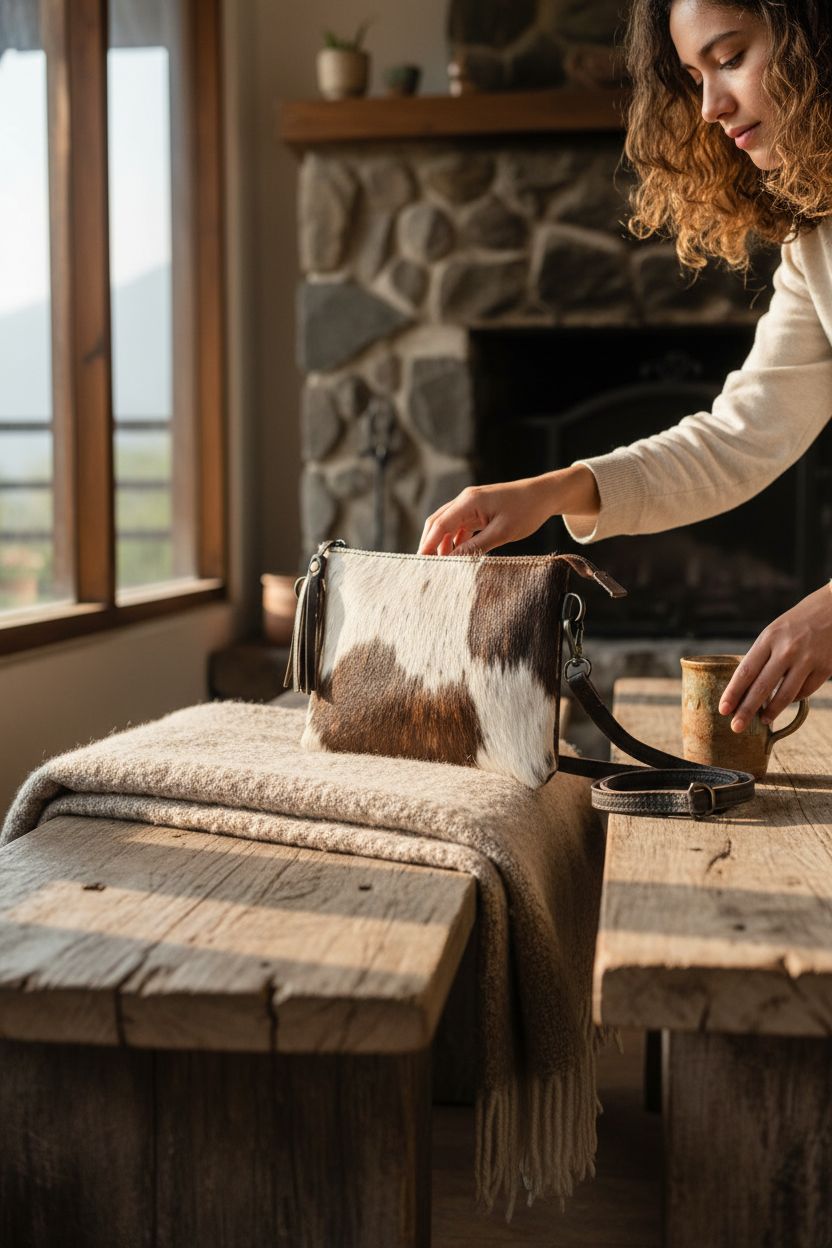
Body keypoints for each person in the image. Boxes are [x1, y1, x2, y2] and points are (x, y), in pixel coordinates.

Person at [418, 0, 832, 736]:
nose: (710, 107)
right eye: (694, 76)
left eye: (731, 57)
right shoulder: (816, 244)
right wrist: (550, 490)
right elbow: (740, 436)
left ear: (814, 38)